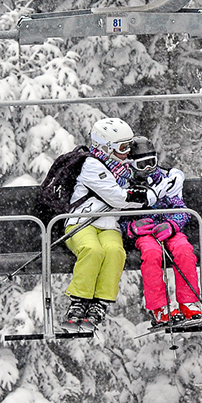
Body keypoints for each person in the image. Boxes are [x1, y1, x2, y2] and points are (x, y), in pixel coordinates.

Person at [61, 117, 149, 331]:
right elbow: (115, 196)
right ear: (106, 148)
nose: (127, 152)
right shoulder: (92, 165)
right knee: (92, 250)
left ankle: (99, 303)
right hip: (81, 223)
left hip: (108, 224)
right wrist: (134, 197)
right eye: (122, 147)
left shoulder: (122, 168)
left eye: (129, 145)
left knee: (114, 251)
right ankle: (78, 302)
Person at [124, 136, 202, 326]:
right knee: (152, 254)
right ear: (131, 164)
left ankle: (188, 302)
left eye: (151, 162)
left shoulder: (167, 180)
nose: (147, 168)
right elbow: (118, 216)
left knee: (184, 250)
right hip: (145, 233)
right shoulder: (125, 185)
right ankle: (160, 307)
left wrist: (172, 225)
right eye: (141, 164)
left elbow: (180, 209)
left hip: (168, 229)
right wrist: (132, 228)